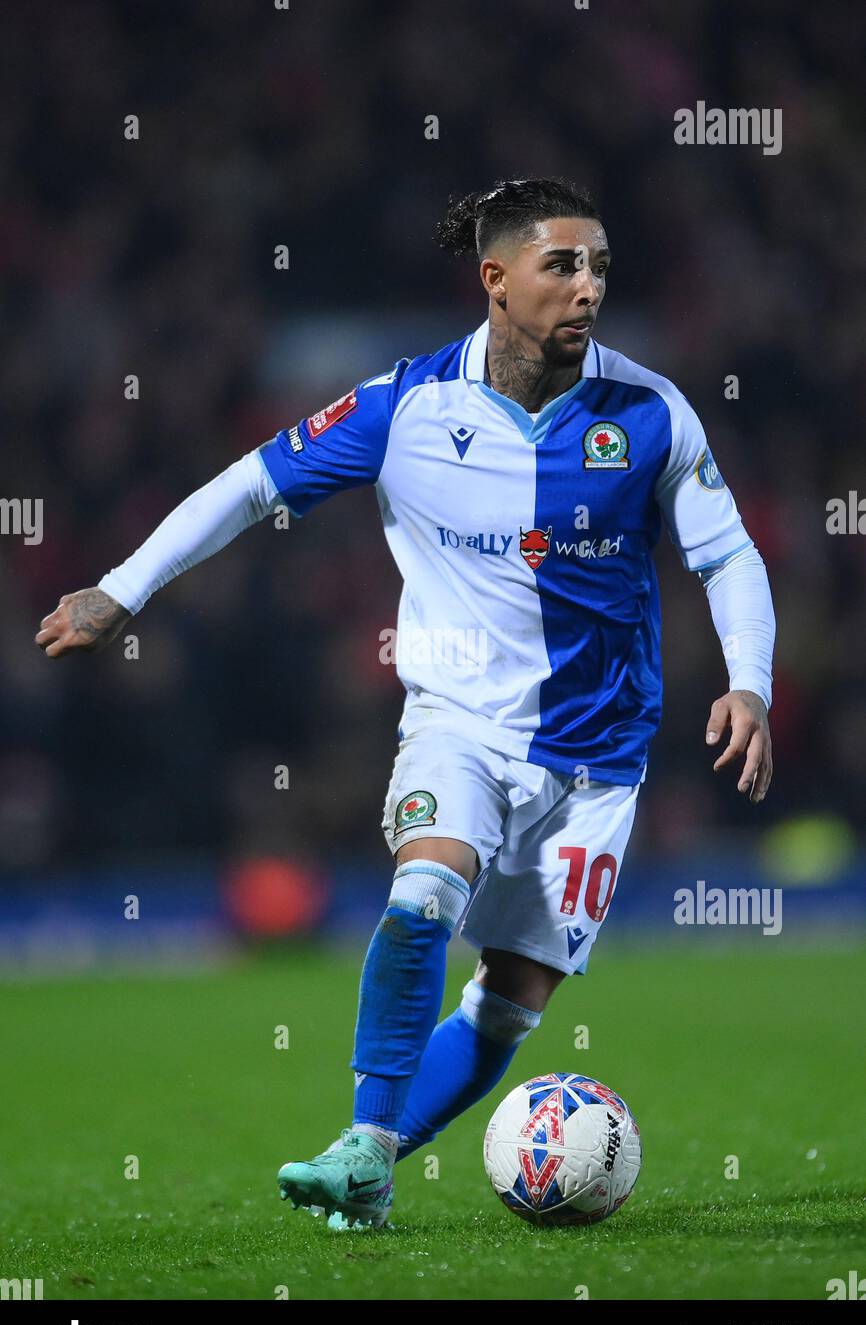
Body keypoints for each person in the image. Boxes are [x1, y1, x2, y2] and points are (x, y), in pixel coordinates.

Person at [35, 176, 775, 1230]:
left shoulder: (648, 412)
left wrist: (747, 680)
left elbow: (727, 553)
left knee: (508, 1003)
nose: (587, 287)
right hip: (456, 724)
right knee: (423, 895)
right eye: (561, 264)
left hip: (597, 758)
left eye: (599, 265)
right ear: (494, 279)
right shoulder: (404, 407)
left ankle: (372, 1162)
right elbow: (249, 484)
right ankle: (360, 1132)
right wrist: (121, 587)